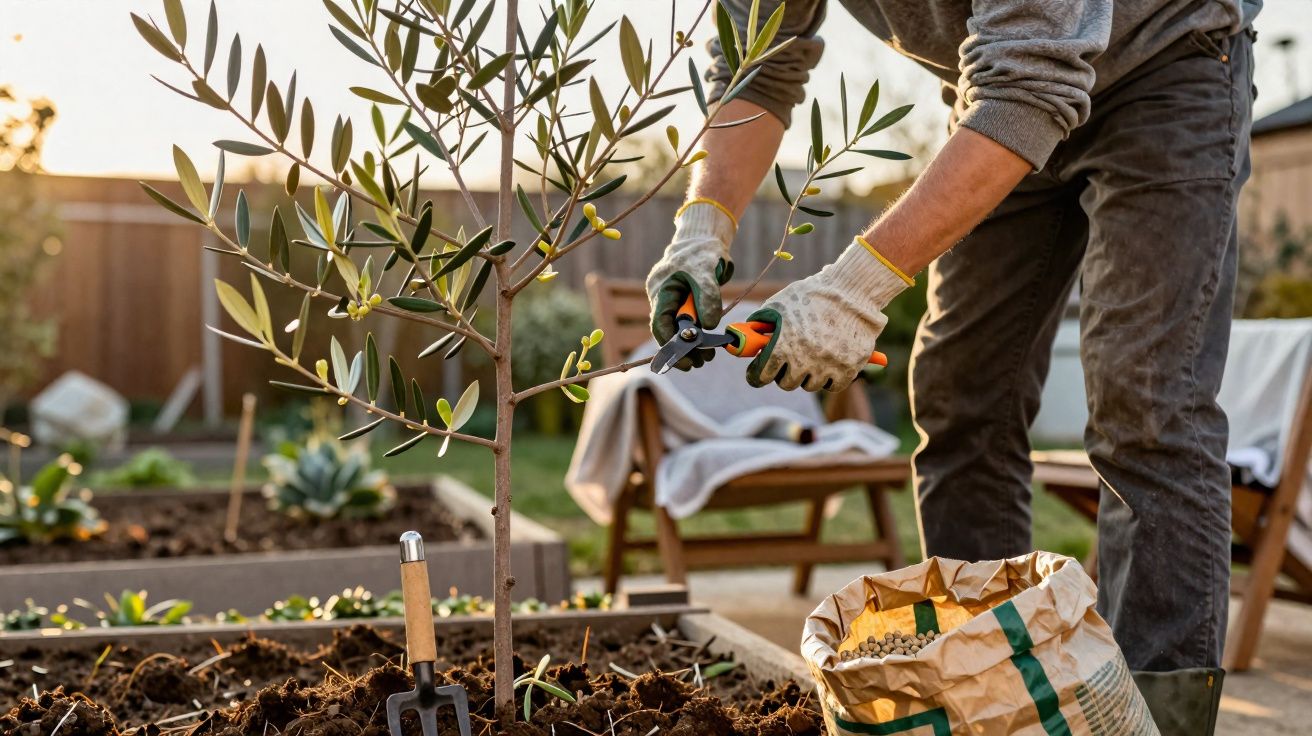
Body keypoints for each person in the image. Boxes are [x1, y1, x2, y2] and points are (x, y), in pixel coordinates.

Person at [645, 1, 1261, 733]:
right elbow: (758, 63)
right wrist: (701, 226)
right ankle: (990, 694)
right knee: (961, 397)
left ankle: (1154, 721)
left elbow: (1032, 80)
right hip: (997, 94)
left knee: (1146, 405)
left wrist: (853, 289)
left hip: (1163, 66)